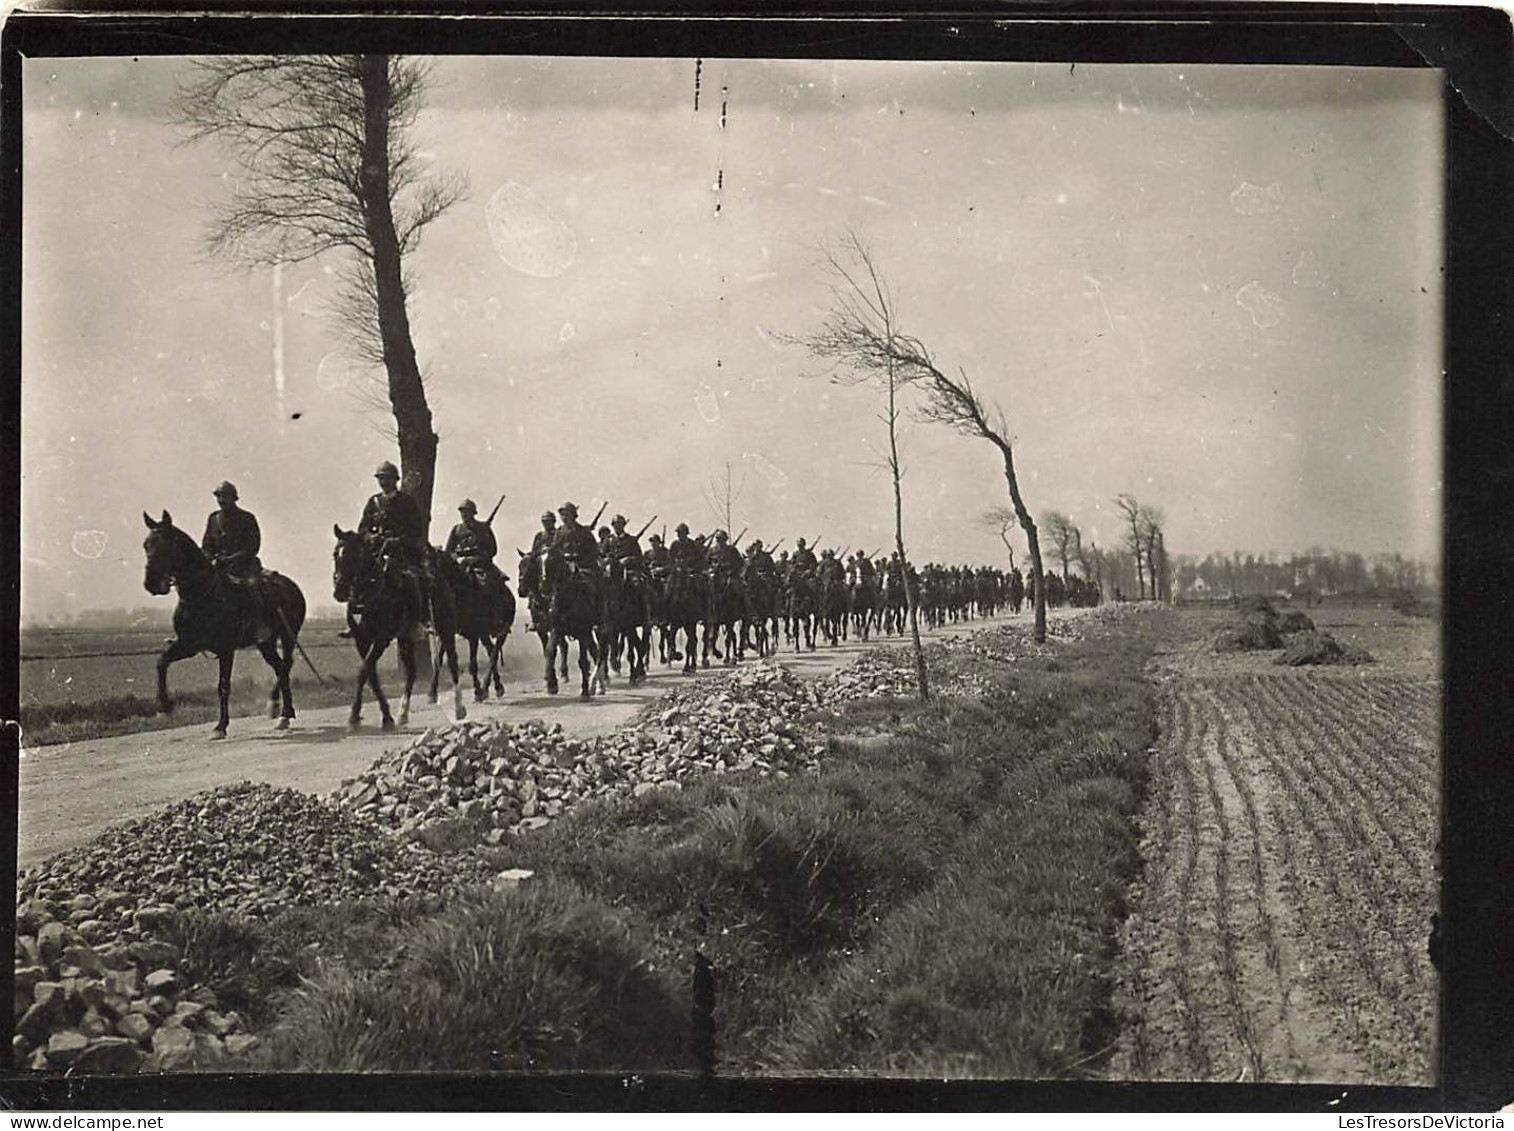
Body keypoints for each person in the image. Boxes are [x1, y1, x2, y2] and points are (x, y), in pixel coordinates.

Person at [358, 460, 429, 624]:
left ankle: (416, 622)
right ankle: (356, 620)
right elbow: (362, 529)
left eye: (387, 478)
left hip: (401, 554)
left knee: (411, 582)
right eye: (381, 479)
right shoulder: (373, 502)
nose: (383, 482)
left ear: (395, 480)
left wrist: (398, 541)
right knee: (357, 575)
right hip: (376, 552)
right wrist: (371, 537)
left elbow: (416, 530)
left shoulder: (406, 502)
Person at [201, 481, 264, 628]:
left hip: (243, 567)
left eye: (225, 497)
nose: (221, 500)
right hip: (218, 568)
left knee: (252, 592)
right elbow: (206, 545)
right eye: (219, 497)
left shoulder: (247, 518)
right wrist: (211, 558)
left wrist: (230, 559)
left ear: (234, 498)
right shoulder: (213, 519)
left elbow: (252, 546)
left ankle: (259, 627)